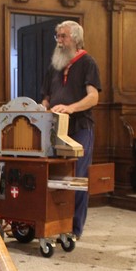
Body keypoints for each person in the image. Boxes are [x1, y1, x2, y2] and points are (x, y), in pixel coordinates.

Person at [40, 20, 101, 239]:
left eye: (63, 36)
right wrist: (40, 110)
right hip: (55, 129)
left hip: (80, 128)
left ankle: (74, 229)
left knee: (77, 178)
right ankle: (55, 223)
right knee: (55, 176)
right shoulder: (54, 66)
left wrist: (71, 108)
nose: (59, 41)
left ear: (74, 38)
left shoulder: (87, 62)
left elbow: (93, 97)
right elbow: (46, 97)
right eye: (57, 36)